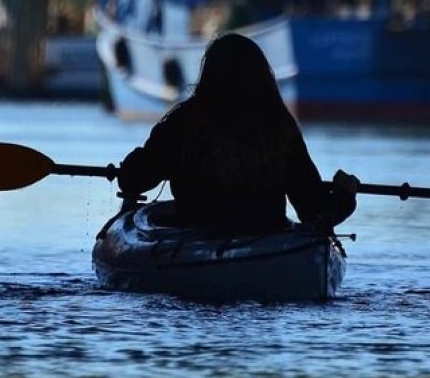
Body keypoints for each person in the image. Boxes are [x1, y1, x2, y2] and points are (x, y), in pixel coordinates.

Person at [117, 33, 357, 235]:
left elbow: (133, 179)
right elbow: (313, 210)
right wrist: (345, 195)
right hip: (265, 241)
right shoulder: (279, 127)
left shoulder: (184, 121)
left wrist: (132, 167)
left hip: (195, 238)